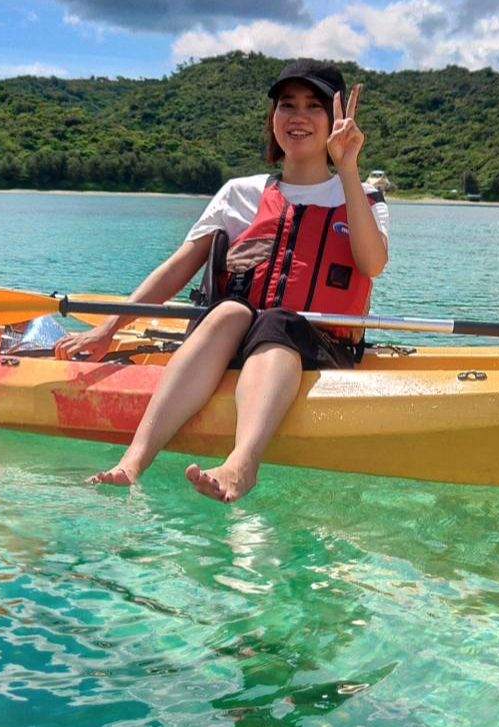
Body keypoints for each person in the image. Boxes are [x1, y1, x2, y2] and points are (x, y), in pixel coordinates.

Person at [53, 60, 389, 503]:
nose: (298, 116)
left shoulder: (361, 195)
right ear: (273, 120)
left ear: (335, 120)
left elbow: (371, 263)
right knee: (231, 310)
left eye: (313, 106)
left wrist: (348, 168)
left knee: (277, 323)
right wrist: (107, 329)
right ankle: (132, 462)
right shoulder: (239, 193)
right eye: (287, 105)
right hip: (233, 347)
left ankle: (241, 464)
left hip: (321, 351)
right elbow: (177, 268)